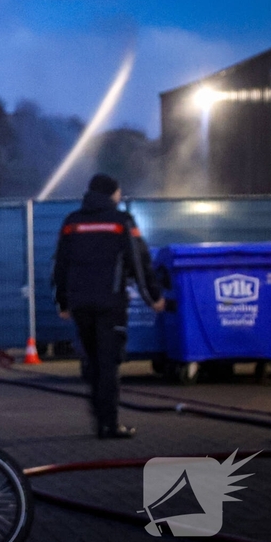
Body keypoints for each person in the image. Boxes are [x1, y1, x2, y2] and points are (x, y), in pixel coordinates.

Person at [52, 173, 164, 439]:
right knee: (108, 363)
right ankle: (109, 424)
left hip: (80, 305)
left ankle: (99, 417)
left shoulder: (72, 223)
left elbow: (60, 265)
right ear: (112, 193)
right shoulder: (121, 222)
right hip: (110, 304)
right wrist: (153, 297)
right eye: (118, 192)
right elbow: (140, 262)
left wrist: (63, 302)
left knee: (92, 361)